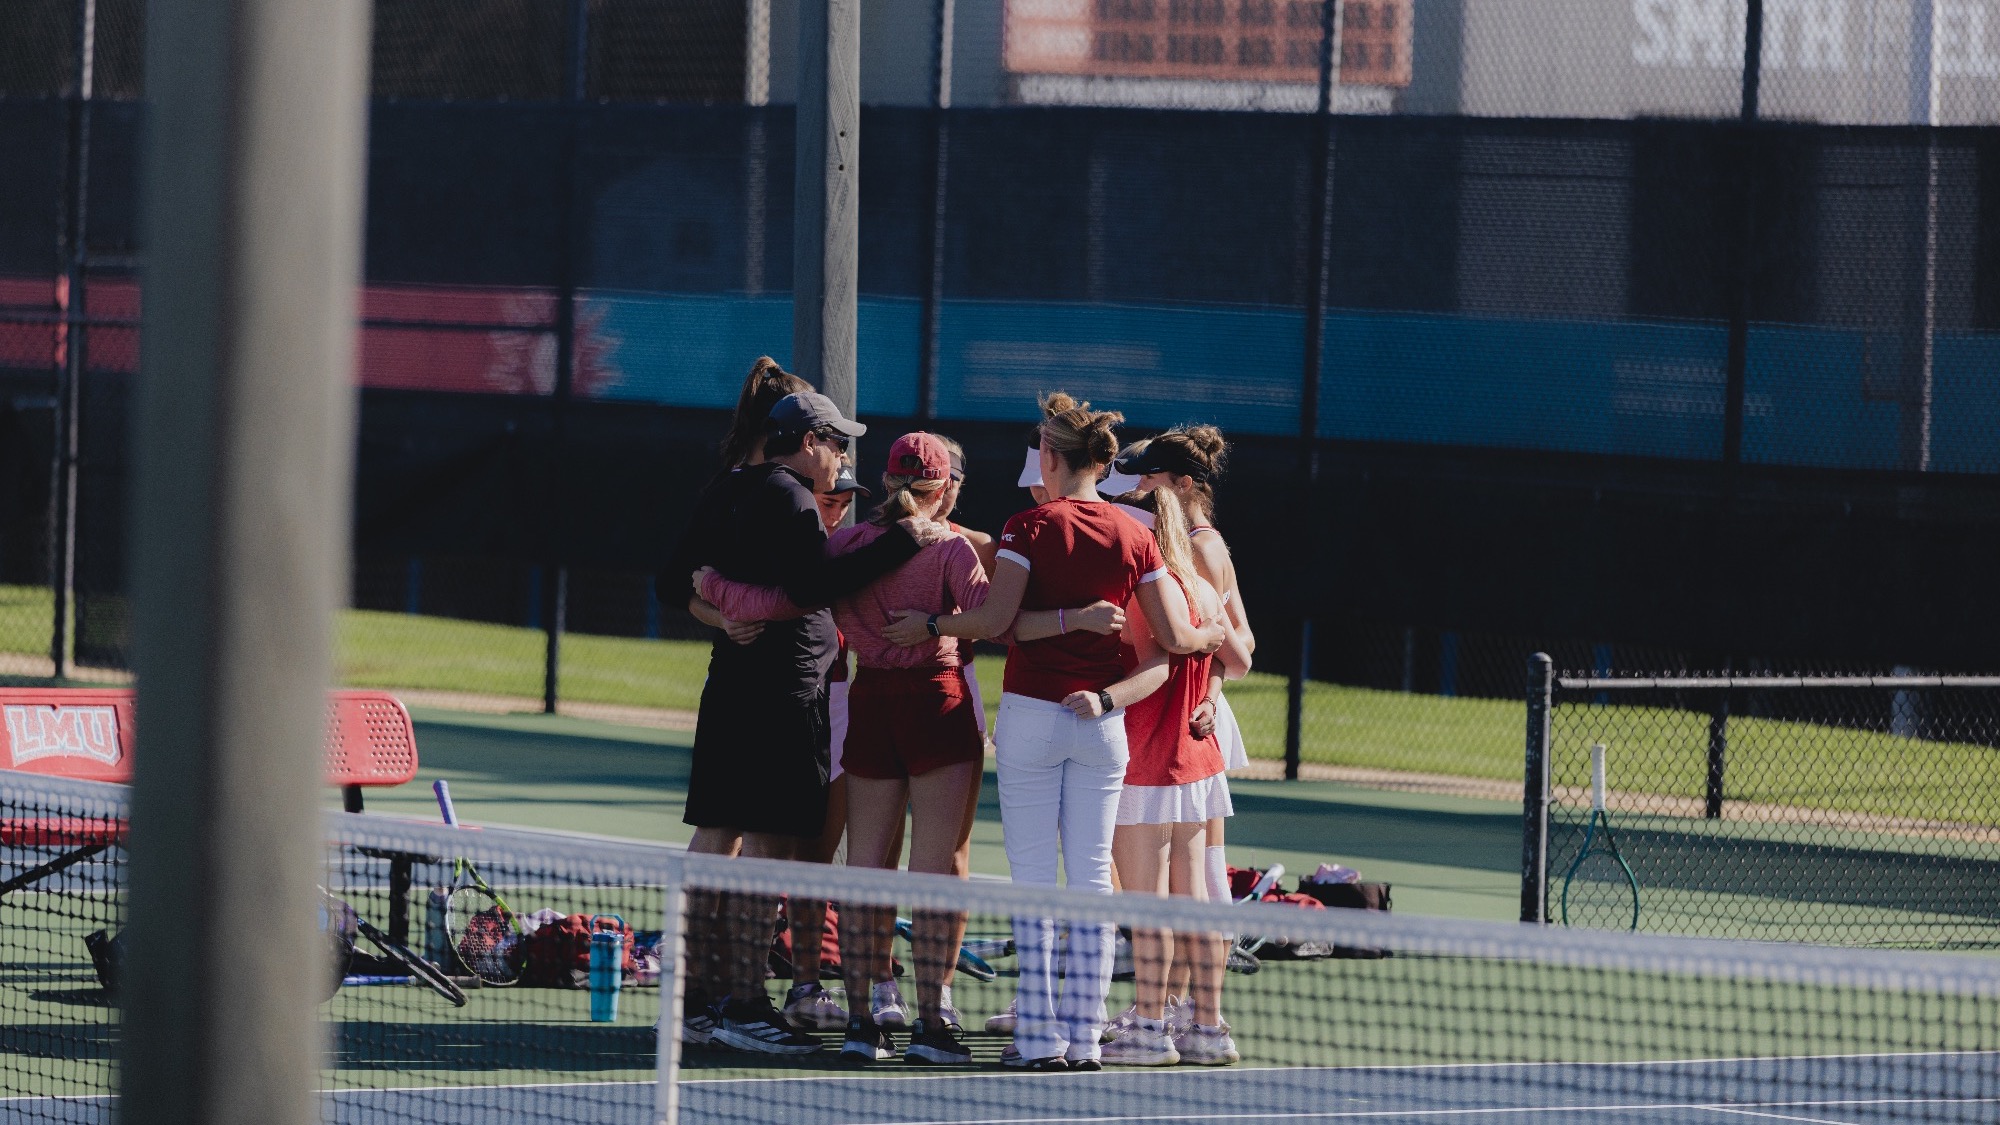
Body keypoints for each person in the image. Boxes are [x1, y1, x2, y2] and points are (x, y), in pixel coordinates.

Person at [699, 432, 1122, 1066]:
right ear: (942, 487)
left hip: (872, 704)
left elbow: (787, 598)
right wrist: (1069, 619)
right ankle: (931, 1024)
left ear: (890, 481)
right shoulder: (950, 548)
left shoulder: (849, 543)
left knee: (866, 870)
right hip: (937, 705)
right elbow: (997, 621)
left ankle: (863, 1024)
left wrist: (713, 587)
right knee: (936, 874)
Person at [883, 393, 1225, 1071]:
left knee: (1034, 876)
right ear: (1103, 461)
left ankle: (1038, 1038)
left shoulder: (1026, 527)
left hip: (1035, 718)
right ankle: (1085, 1034)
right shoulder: (1139, 535)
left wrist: (930, 625)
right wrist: (1213, 633)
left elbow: (994, 620)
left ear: (1049, 455)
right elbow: (1179, 637)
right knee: (1093, 879)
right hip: (1102, 725)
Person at [659, 391, 932, 1055]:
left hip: (729, 689)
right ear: (809, 440)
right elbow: (812, 586)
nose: (841, 456)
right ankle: (745, 1003)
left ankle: (694, 1000)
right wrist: (903, 540)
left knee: (719, 836)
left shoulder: (729, 488)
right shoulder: (792, 497)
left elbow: (674, 581)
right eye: (837, 442)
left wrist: (722, 610)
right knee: (769, 850)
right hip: (783, 694)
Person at [1097, 486, 1248, 1067]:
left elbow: (1156, 663)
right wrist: (1209, 693)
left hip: (1150, 762)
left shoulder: (1143, 597)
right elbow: (1229, 658)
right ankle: (1207, 1027)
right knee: (1195, 898)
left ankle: (1151, 1026)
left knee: (1149, 902)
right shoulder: (1205, 590)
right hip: (1196, 761)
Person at [1115, 426, 1253, 956]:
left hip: (1186, 719)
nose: (1138, 483)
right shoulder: (1203, 542)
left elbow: (1233, 650)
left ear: (1185, 484)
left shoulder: (1196, 551)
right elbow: (1235, 641)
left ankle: (1185, 1009)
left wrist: (1210, 698)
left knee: (1193, 874)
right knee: (1191, 870)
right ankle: (1188, 1010)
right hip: (1193, 712)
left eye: (1151, 476)